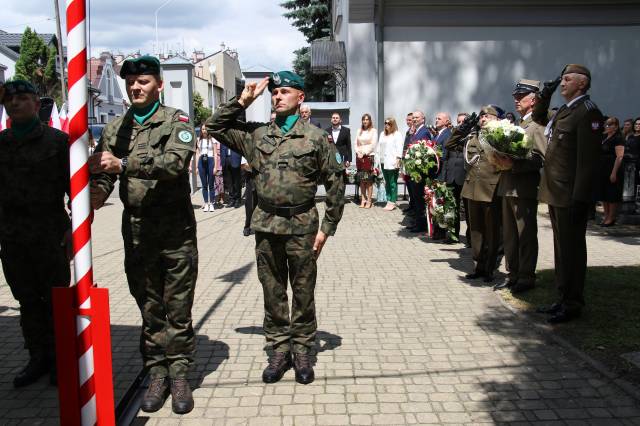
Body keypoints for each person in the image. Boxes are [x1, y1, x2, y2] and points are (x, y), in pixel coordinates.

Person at [204, 71, 345, 385]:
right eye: (275, 93)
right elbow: (214, 126)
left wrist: (327, 227)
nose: (277, 96)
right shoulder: (257, 135)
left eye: (284, 92)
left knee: (304, 291)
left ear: (300, 98)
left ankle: (303, 350)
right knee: (273, 290)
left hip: (303, 226)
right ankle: (280, 349)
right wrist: (242, 101)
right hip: (267, 224)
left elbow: (336, 181)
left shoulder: (316, 137)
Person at [88, 56, 198, 414]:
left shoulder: (177, 121)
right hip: (135, 230)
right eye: (131, 81)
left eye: (144, 81)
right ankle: (156, 373)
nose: (136, 86)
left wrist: (125, 165)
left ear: (159, 85)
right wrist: (93, 196)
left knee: (177, 309)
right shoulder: (115, 128)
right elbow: (103, 172)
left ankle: (180, 375)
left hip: (175, 231)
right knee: (149, 307)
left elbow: (174, 164)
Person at [0, 80, 72, 388]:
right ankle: (38, 357)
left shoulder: (57, 142)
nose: (15, 104)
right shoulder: (0, 143)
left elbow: (76, 191)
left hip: (49, 235)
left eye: (23, 99)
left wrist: (74, 231)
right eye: (10, 101)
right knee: (27, 301)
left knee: (56, 299)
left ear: (35, 103)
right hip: (13, 238)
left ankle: (61, 359)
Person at [533, 64, 604, 324]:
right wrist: (545, 94)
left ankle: (573, 303)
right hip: (556, 192)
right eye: (561, 80)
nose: (562, 83)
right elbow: (540, 117)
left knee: (572, 250)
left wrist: (580, 198)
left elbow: (588, 162)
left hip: (571, 195)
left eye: (567, 80)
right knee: (562, 250)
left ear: (582, 84)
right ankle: (562, 298)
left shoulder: (588, 113)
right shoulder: (565, 110)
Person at [492, 79, 547, 294]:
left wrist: (514, 163)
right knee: (510, 236)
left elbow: (541, 158)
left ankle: (526, 276)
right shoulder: (519, 124)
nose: (516, 100)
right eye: (515, 96)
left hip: (523, 187)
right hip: (508, 185)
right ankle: (513, 273)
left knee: (525, 235)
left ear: (533, 100)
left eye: (520, 96)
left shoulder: (537, 124)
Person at [455, 106, 502, 282]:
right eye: (482, 116)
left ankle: (490, 268)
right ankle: (478, 266)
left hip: (491, 189)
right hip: (472, 189)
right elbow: (451, 144)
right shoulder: (472, 137)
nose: (483, 119)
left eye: (488, 116)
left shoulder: (501, 136)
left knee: (491, 231)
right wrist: (462, 128)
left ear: (496, 120)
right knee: (475, 231)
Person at [443, 113, 469, 243]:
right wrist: (444, 176)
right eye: (458, 121)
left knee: (468, 210)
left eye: (463, 121)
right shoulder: (453, 134)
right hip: (451, 175)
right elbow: (446, 155)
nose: (460, 124)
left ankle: (470, 238)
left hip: (465, 176)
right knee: (452, 207)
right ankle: (453, 235)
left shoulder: (471, 135)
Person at [594, 117, 625, 226]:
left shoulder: (618, 138)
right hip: (602, 169)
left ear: (616, 126)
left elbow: (619, 157)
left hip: (612, 168)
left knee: (611, 194)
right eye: (606, 124)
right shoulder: (604, 137)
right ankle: (606, 215)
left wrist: (614, 172)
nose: (607, 126)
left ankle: (611, 218)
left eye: (610, 124)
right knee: (603, 194)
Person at [406, 110, 433, 232]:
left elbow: (424, 151)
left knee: (419, 198)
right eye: (413, 118)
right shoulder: (415, 131)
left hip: (419, 172)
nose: (414, 119)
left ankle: (420, 224)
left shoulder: (425, 132)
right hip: (413, 170)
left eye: (417, 117)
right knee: (415, 198)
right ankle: (417, 222)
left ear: (423, 119)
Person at [376, 117, 404, 211]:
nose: (386, 125)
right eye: (385, 123)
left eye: (389, 123)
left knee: (392, 182)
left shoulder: (397, 134)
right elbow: (379, 147)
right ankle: (388, 200)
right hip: (383, 161)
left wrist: (398, 159)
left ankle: (392, 201)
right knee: (386, 182)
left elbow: (399, 147)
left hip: (392, 162)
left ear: (393, 124)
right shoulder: (382, 134)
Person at [355, 113, 378, 208]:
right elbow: (355, 143)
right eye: (363, 119)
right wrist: (357, 152)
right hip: (359, 157)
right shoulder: (359, 130)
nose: (365, 121)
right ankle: (363, 199)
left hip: (368, 156)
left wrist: (363, 153)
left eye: (367, 119)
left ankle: (369, 200)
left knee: (368, 180)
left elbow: (373, 145)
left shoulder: (373, 131)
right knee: (361, 180)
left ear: (370, 121)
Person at [197, 127, 216, 212]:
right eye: (203, 129)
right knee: (204, 185)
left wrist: (215, 167)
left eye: (206, 129)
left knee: (211, 184)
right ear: (201, 130)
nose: (204, 130)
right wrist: (197, 167)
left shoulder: (213, 139)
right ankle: (206, 203)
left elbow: (215, 153)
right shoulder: (199, 140)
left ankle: (211, 203)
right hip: (201, 161)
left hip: (210, 160)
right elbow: (197, 154)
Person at [402, 112, 415, 214]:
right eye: (407, 120)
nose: (408, 122)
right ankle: (411, 205)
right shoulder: (408, 131)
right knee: (408, 184)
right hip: (406, 161)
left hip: (412, 161)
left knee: (412, 185)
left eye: (410, 120)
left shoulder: (415, 132)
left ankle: (414, 206)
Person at [242, 156, 257, 236]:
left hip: (265, 177)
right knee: (249, 204)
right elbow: (243, 165)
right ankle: (248, 226)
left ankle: (257, 226)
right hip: (251, 176)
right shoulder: (247, 148)